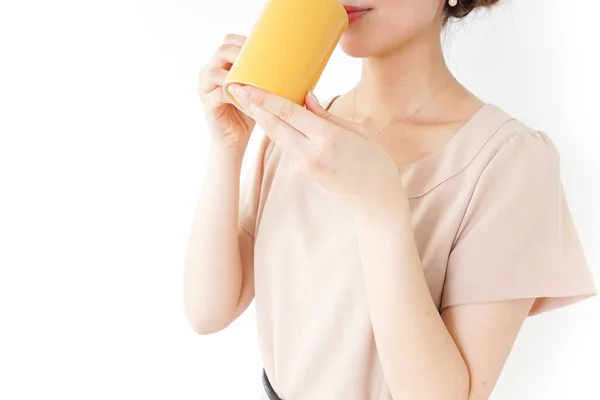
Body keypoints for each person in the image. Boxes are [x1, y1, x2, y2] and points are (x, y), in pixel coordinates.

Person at [184, 0, 597, 399]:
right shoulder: (298, 127)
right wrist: (228, 146)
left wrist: (380, 209)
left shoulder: (509, 161)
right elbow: (209, 311)